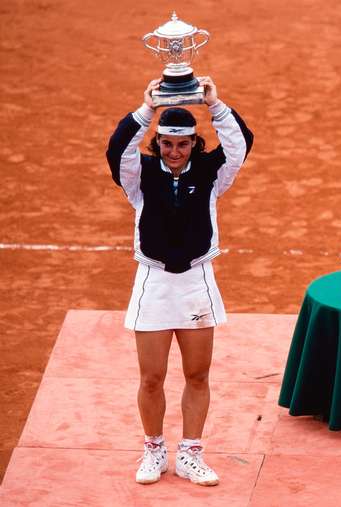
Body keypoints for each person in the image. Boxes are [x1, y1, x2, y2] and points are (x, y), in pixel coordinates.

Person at [106, 76, 254, 486]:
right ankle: (154, 448)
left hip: (195, 283)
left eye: (183, 144)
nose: (174, 152)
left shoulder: (212, 173)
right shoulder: (140, 177)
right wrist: (146, 109)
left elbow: (241, 143)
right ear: (157, 144)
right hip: (153, 283)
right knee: (151, 377)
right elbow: (117, 150)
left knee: (197, 375)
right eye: (167, 144)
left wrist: (216, 104)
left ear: (194, 143)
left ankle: (191, 453)